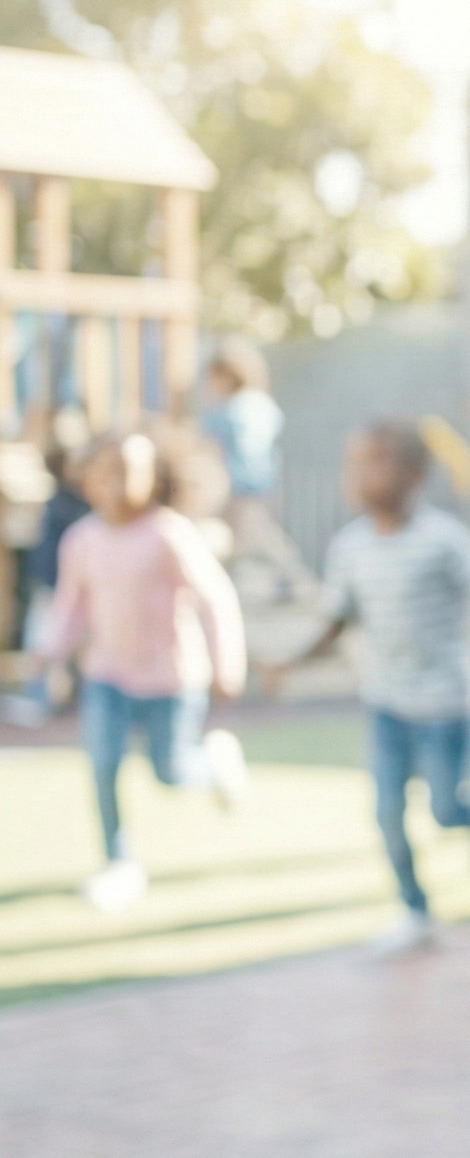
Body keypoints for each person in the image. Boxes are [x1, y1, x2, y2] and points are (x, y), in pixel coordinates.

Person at [276, 421, 470, 948]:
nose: (358, 475)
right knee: (387, 813)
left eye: (374, 463)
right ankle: (416, 912)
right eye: (353, 464)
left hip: (445, 702)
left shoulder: (442, 539)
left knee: (447, 811)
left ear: (415, 474)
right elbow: (337, 619)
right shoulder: (350, 547)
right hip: (387, 702)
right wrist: (291, 660)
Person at [43, 431, 251, 911]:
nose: (116, 484)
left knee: (170, 772)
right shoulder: (82, 539)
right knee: (103, 764)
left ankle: (213, 764)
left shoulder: (168, 533)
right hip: (108, 675)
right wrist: (48, 652)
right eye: (105, 473)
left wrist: (227, 662)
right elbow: (71, 605)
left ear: (153, 479)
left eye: (129, 472)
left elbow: (214, 597)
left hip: (171, 678)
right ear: (88, 481)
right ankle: (118, 862)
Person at [199, 336, 315, 603]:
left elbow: (227, 450)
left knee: (256, 539)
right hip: (261, 485)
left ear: (229, 376)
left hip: (240, 488)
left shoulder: (229, 411)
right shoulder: (260, 405)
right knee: (245, 541)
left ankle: (297, 580)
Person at [4, 414, 92, 726]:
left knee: (71, 642)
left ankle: (69, 699)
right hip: (53, 584)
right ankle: (42, 698)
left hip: (72, 587)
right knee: (43, 641)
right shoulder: (59, 499)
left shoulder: (80, 503)